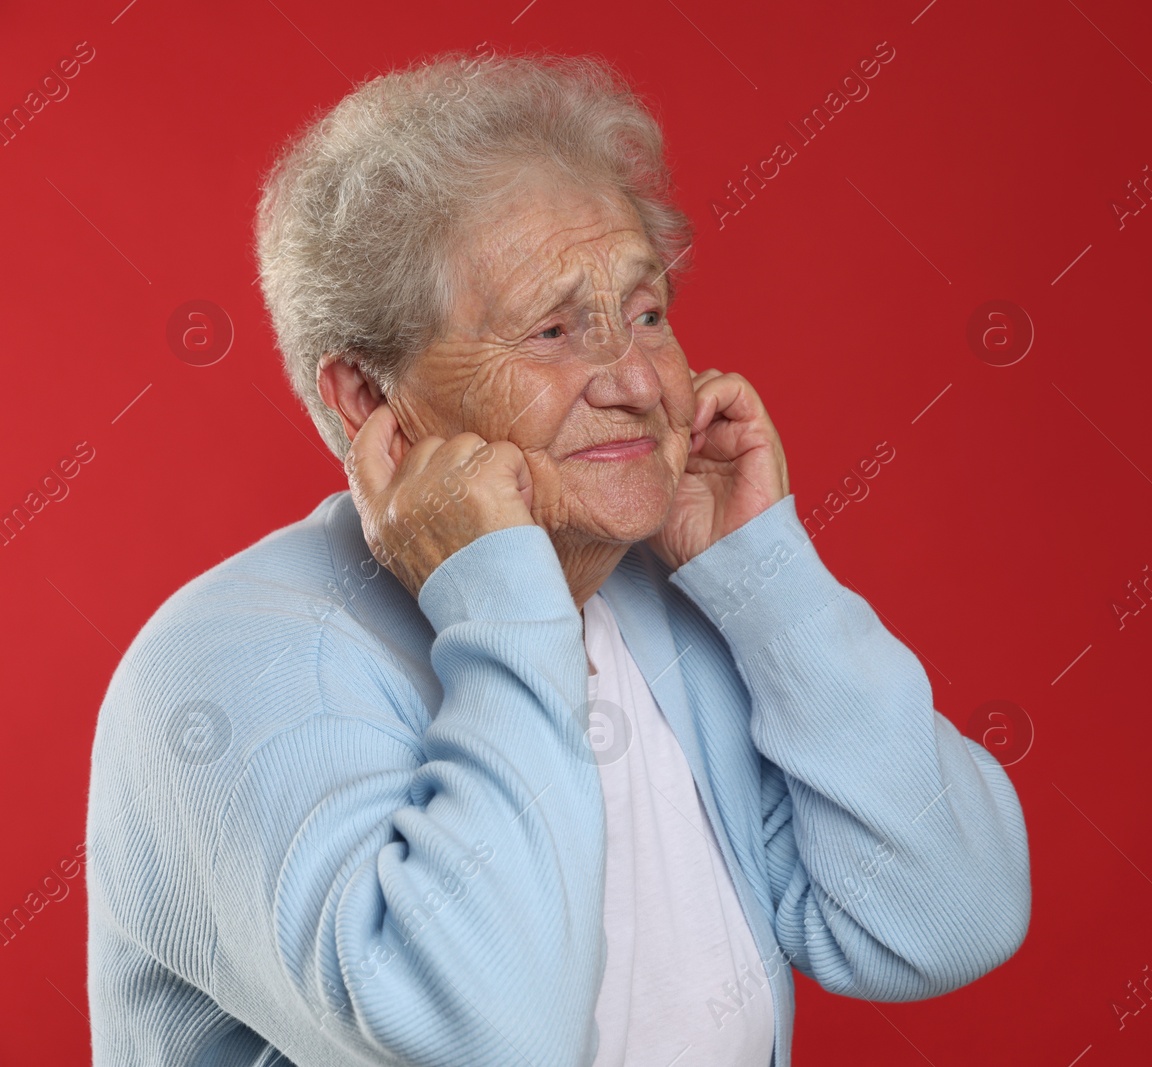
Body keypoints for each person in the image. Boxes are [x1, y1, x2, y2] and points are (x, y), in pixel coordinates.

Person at [85, 48, 1031, 1067]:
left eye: (646, 313)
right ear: (367, 397)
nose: (636, 378)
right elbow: (487, 1040)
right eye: (549, 330)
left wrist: (765, 575)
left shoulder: (660, 600)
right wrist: (504, 609)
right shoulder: (231, 663)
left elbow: (945, 917)